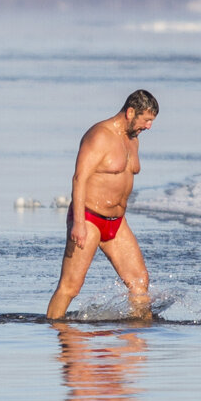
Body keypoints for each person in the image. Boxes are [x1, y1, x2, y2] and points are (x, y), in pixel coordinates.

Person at [47, 89, 159, 320]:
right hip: (89, 218)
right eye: (146, 120)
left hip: (116, 222)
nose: (148, 127)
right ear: (130, 112)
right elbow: (79, 179)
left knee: (140, 281)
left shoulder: (133, 140)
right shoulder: (99, 136)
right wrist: (78, 223)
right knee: (71, 287)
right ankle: (53, 330)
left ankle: (137, 341)